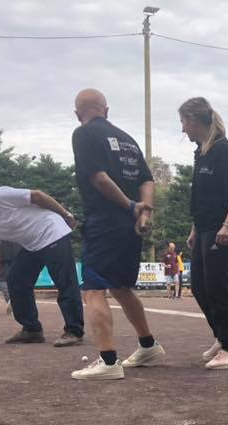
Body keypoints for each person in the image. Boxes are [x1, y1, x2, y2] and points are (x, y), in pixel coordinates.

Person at [68, 89, 163, 379]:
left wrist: (131, 206)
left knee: (93, 290)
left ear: (78, 113)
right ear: (106, 110)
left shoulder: (83, 134)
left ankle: (108, 362)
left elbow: (99, 178)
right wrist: (143, 212)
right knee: (121, 287)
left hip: (105, 221)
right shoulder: (128, 140)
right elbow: (147, 179)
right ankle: (148, 345)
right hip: (129, 226)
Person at [0, 187, 84, 347]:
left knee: (65, 282)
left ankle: (74, 331)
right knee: (16, 280)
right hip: (32, 244)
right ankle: (31, 329)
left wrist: (66, 215)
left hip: (52, 232)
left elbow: (37, 196)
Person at [180, 97, 228, 367]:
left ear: (195, 121)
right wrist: (195, 227)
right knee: (198, 286)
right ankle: (222, 336)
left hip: (222, 229)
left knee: (217, 286)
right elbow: (201, 197)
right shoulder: (202, 152)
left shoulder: (224, 151)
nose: (183, 129)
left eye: (184, 122)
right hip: (205, 228)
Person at [0, 239, 20, 312]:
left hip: (2, 255)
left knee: (1, 279)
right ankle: (16, 300)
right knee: (16, 278)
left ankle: (10, 299)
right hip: (17, 254)